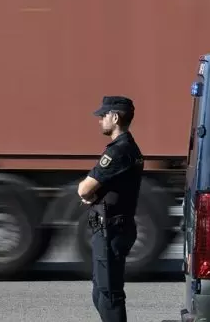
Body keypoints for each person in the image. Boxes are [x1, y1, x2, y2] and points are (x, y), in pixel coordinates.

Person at [77, 95, 143, 322]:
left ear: (114, 117)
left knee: (109, 295)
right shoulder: (129, 148)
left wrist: (89, 193)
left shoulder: (117, 152)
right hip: (115, 227)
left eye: (103, 116)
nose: (99, 120)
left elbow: (84, 189)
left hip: (111, 230)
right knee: (101, 293)